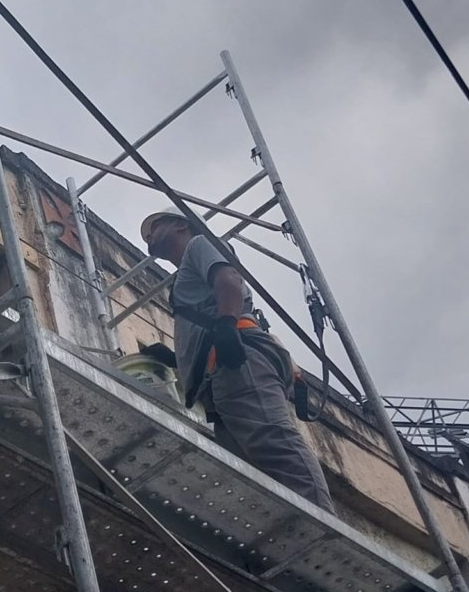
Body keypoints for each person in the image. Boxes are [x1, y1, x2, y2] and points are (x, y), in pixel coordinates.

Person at [140, 205, 335, 513]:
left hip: (237, 364)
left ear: (181, 225)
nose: (148, 235)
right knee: (253, 474)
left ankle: (326, 525)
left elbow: (228, 279)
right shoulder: (185, 276)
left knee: (273, 444)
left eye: (155, 225)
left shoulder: (200, 244)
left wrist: (228, 324)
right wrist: (178, 360)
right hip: (219, 382)